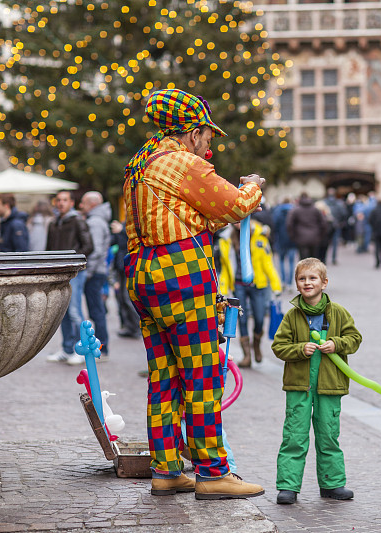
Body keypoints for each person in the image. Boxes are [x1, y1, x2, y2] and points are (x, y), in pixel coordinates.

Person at [123, 88, 264, 499]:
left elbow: (186, 216)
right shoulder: (183, 163)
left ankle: (166, 470)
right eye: (207, 135)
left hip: (142, 273)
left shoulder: (140, 161)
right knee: (202, 376)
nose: (209, 144)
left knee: (164, 376)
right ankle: (212, 472)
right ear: (192, 132)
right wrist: (253, 187)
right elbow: (235, 206)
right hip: (181, 275)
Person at [271, 257, 363, 505]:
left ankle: (332, 484)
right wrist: (300, 349)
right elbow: (278, 346)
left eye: (312, 278)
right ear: (297, 284)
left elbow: (354, 338)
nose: (307, 283)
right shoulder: (292, 316)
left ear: (324, 282)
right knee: (294, 436)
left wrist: (337, 344)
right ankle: (288, 486)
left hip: (329, 386)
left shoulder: (339, 313)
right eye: (302, 279)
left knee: (329, 435)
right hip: (299, 387)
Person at [45, 190, 94, 365]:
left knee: (74, 311)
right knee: (63, 313)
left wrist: (72, 262)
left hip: (74, 273)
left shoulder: (78, 221)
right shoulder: (53, 223)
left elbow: (89, 246)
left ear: (72, 203)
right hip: (58, 274)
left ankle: (82, 350)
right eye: (58, 200)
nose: (61, 203)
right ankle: (66, 349)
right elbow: (48, 249)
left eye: (64, 200)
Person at [235, 219, 282, 368]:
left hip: (258, 284)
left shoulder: (260, 237)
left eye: (241, 219)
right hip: (238, 284)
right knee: (241, 319)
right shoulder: (228, 239)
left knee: (260, 318)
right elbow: (225, 264)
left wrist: (276, 285)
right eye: (234, 220)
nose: (237, 223)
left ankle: (256, 344)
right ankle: (247, 355)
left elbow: (268, 262)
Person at [79, 191, 112, 360]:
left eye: (83, 203)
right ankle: (102, 346)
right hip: (98, 270)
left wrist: (88, 271)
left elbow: (97, 250)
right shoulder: (98, 220)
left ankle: (102, 347)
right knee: (97, 309)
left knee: (96, 310)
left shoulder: (95, 222)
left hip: (95, 272)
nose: (80, 206)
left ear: (92, 204)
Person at [109, 219, 140, 338]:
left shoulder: (136, 222)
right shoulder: (124, 223)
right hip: (121, 266)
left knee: (128, 298)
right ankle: (129, 326)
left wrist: (121, 231)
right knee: (121, 298)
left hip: (130, 265)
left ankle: (136, 327)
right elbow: (114, 242)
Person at [287, 192, 327, 260]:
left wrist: (293, 236)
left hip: (301, 238)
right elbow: (323, 223)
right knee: (313, 261)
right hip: (314, 237)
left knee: (303, 261)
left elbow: (289, 224)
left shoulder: (295, 210)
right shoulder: (316, 210)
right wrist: (320, 236)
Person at [272, 197, 297, 285]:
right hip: (292, 240)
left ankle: (283, 281)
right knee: (291, 262)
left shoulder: (278, 211)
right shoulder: (294, 211)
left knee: (281, 261)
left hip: (281, 240)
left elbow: (274, 226)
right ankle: (290, 283)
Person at [323, 188, 347, 265]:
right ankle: (333, 259)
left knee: (325, 243)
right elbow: (344, 214)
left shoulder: (324, 203)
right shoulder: (339, 203)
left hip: (326, 225)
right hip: (336, 225)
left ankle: (324, 259)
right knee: (335, 243)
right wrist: (341, 222)